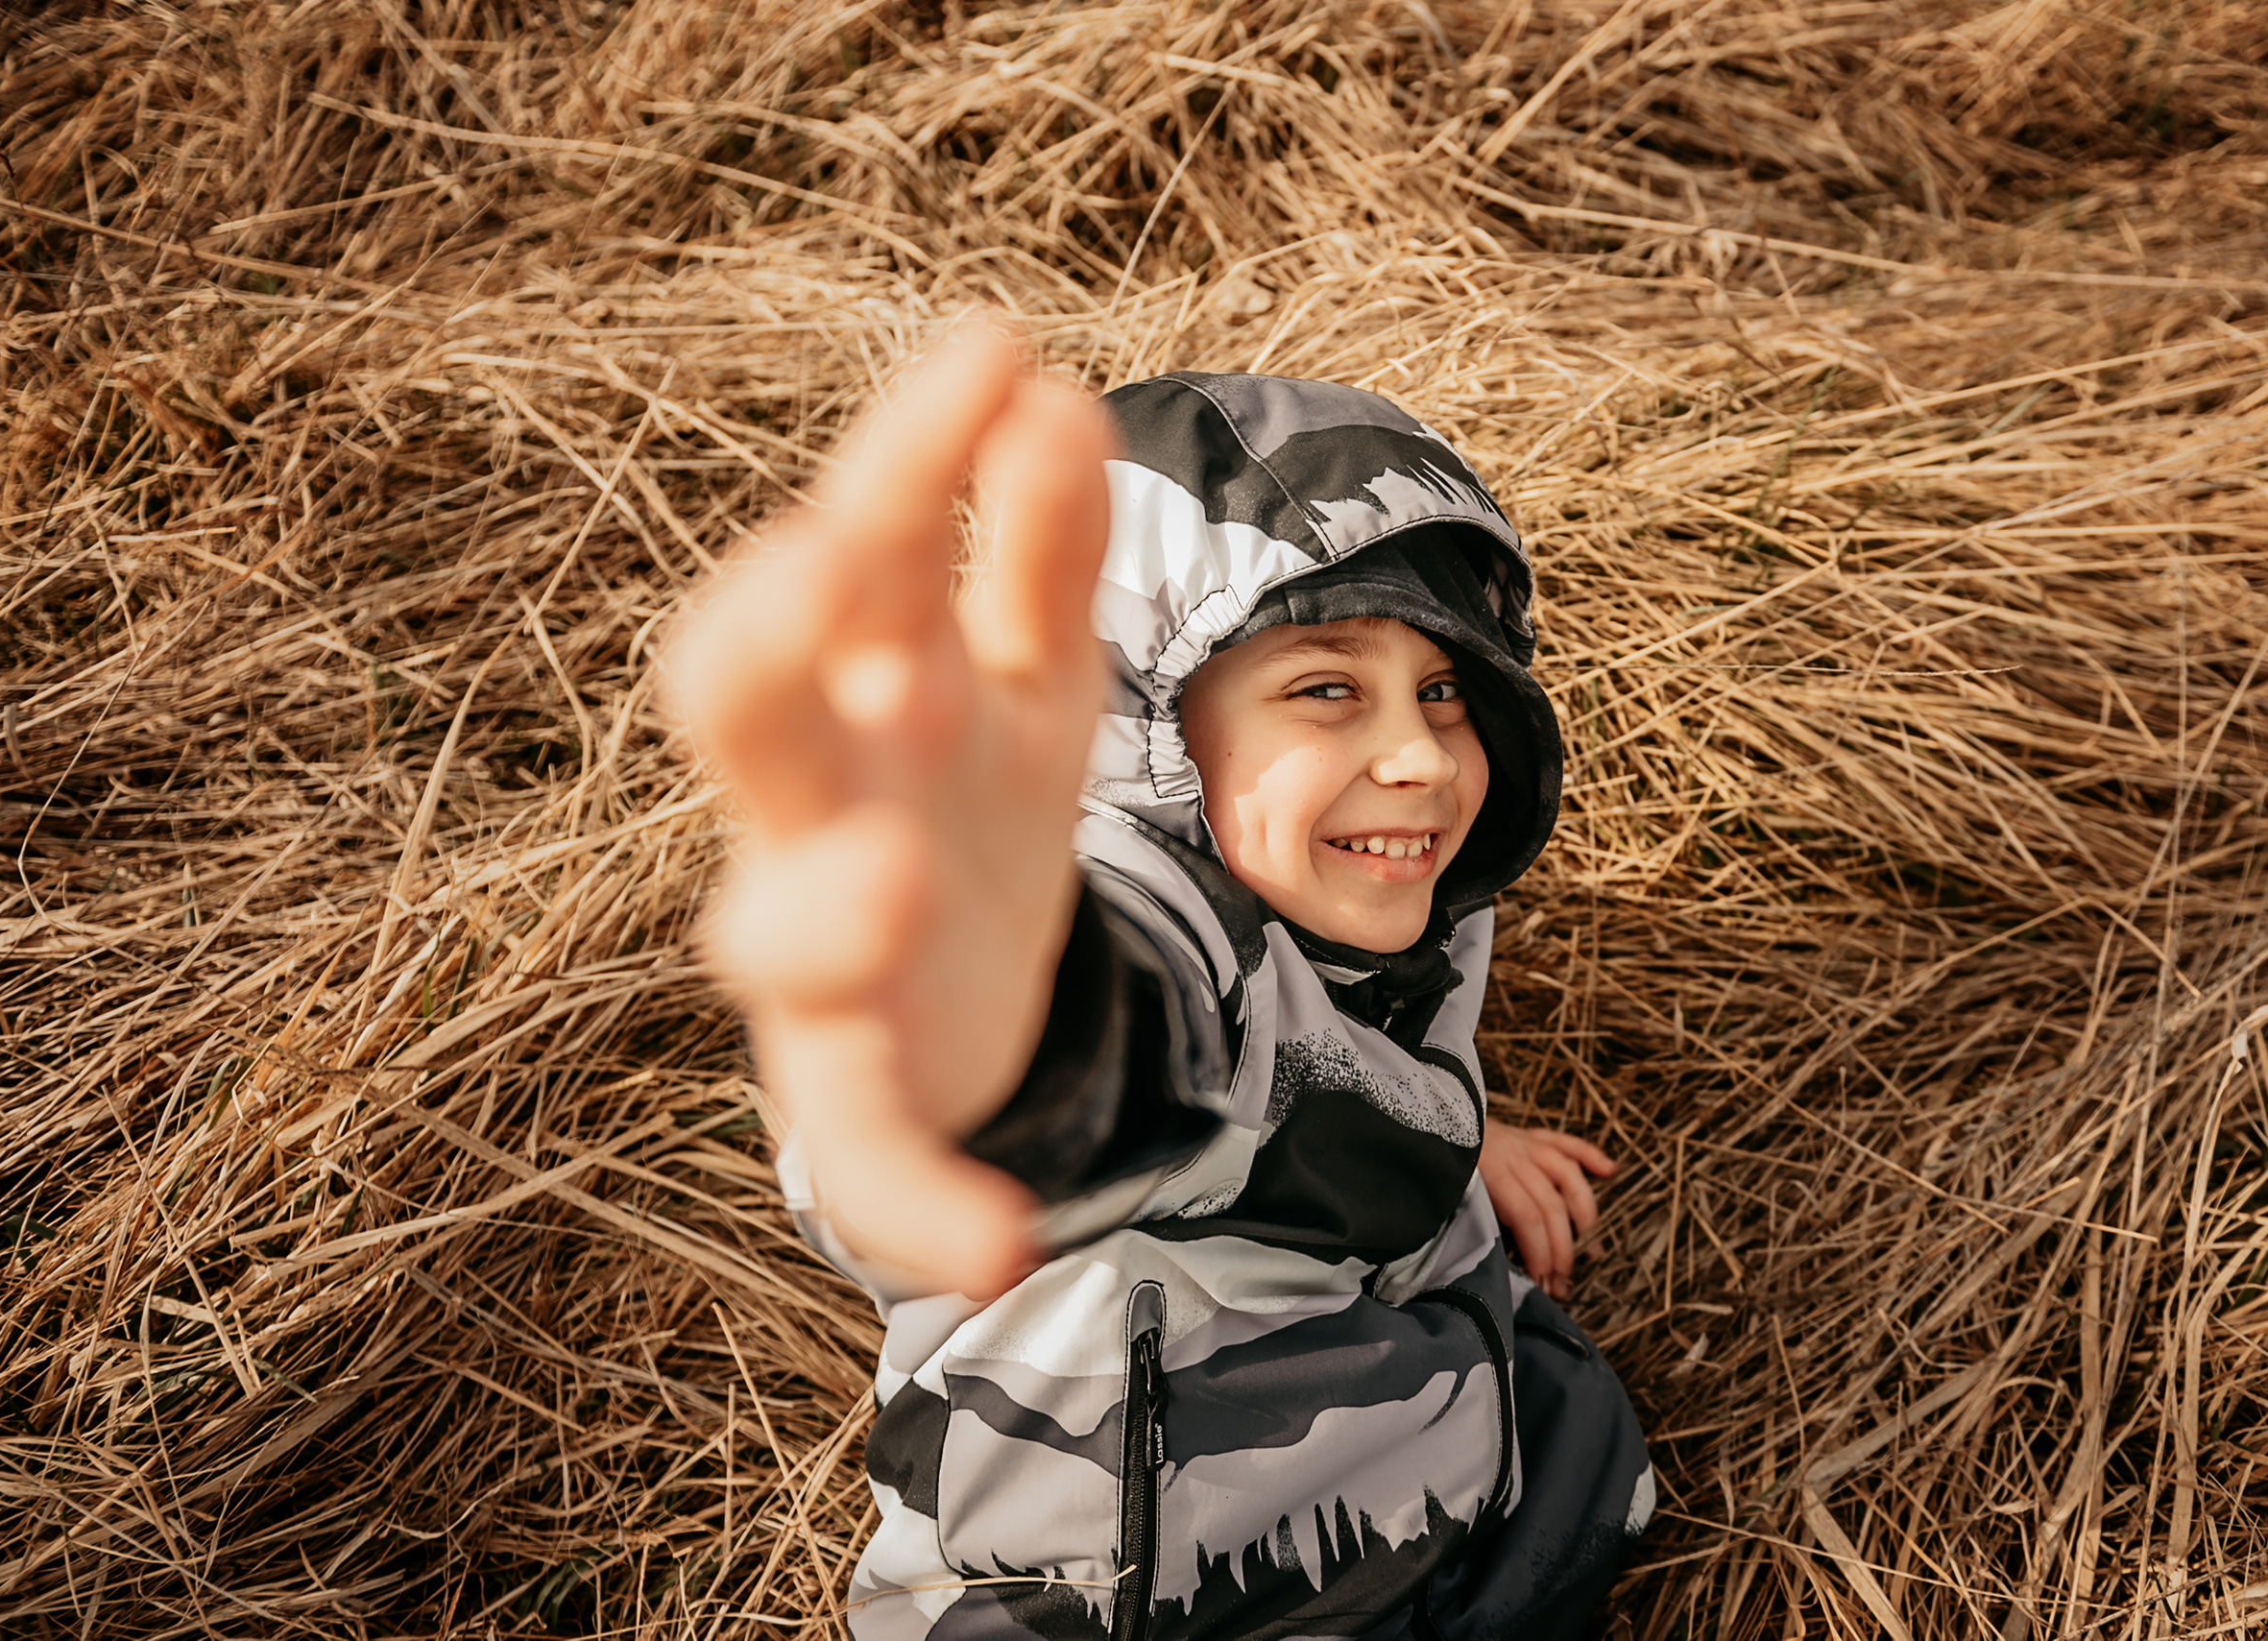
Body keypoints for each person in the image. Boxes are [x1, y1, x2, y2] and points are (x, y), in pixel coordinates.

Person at [669, 329, 1653, 1641]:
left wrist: (1451, 1140)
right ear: (1150, 730)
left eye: (1445, 688)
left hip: (1413, 1460)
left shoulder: (1370, 896)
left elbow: (1316, 1074)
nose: (1417, 753)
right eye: (1325, 688)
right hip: (1178, 1594)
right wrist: (977, 1019)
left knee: (1582, 1441)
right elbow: (1126, 1047)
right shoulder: (1154, 928)